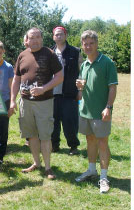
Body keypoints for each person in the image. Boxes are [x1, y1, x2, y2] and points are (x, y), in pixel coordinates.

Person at [9, 28, 63, 179]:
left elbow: (60, 77)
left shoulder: (49, 54)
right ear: (26, 40)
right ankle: (36, 163)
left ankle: (47, 167)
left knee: (45, 136)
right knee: (31, 135)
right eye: (32, 38)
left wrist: (44, 88)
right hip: (25, 102)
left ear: (42, 39)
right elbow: (16, 79)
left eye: (38, 37)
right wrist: (13, 100)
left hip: (44, 102)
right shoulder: (22, 55)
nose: (36, 40)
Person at [75, 30, 118, 194]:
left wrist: (108, 107)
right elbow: (82, 90)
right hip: (85, 111)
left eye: (91, 43)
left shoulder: (107, 63)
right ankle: (92, 170)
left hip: (101, 112)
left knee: (102, 143)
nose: (88, 46)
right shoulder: (84, 64)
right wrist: (79, 87)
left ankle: (104, 177)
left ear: (97, 44)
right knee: (90, 140)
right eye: (85, 44)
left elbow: (112, 88)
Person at [51, 26, 82, 155]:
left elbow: (82, 72)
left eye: (61, 34)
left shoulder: (75, 51)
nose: (59, 36)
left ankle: (73, 146)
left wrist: (80, 90)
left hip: (69, 93)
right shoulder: (50, 52)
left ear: (66, 35)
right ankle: (54, 145)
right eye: (56, 35)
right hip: (52, 94)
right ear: (53, 37)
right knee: (53, 122)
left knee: (70, 121)